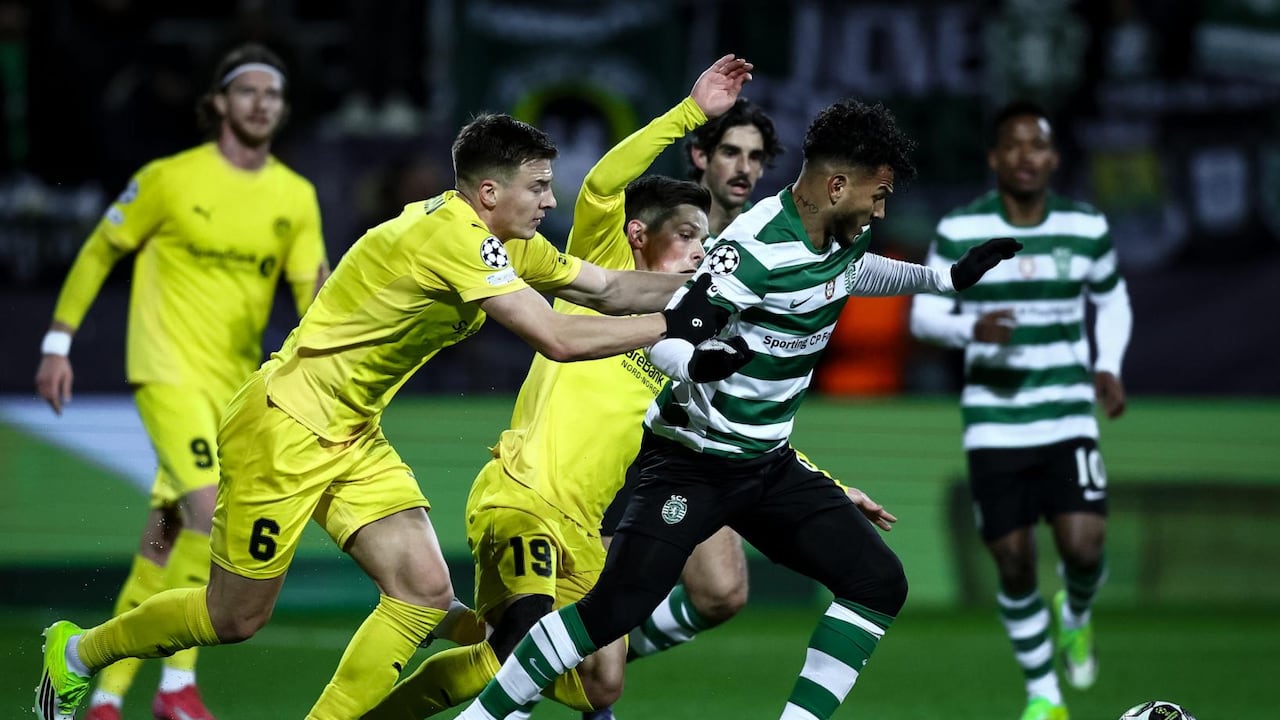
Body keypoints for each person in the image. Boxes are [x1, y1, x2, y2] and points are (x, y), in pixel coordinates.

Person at [35, 108, 740, 720]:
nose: (550, 202)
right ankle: (79, 652)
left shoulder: (505, 242)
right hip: (285, 424)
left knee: (426, 593)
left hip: (350, 432)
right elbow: (557, 337)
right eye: (538, 188)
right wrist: (679, 328)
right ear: (489, 191)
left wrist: (708, 290)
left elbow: (611, 288)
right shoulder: (453, 239)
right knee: (234, 617)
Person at [453, 99, 1023, 720]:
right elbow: (673, 333)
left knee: (878, 583)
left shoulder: (841, 237)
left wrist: (948, 279)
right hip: (691, 464)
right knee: (610, 612)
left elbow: (855, 274)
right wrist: (697, 363)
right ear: (836, 185)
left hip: (768, 467)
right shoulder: (750, 249)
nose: (881, 209)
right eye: (878, 194)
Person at [34, 43, 329, 720]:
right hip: (165, 375)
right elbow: (101, 248)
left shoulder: (295, 196)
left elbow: (313, 298)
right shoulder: (169, 178)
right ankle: (176, 689)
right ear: (220, 103)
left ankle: (100, 692)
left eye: (274, 94)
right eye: (249, 90)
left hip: (232, 390)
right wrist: (58, 343)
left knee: (164, 541)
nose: (263, 102)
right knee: (211, 510)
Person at [909, 100, 1132, 720]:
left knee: (1084, 547)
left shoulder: (1085, 226)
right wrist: (972, 328)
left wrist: (1108, 363)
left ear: (1054, 158)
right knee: (1012, 560)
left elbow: (1112, 302)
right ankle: (1044, 693)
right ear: (993, 158)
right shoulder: (960, 229)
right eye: (1013, 145)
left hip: (1066, 414)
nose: (1026, 157)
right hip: (994, 421)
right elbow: (925, 312)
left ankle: (1078, 613)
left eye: (1037, 146)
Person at [595, 96, 786, 679]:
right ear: (700, 155)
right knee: (605, 618)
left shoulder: (763, 247)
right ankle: (557, 677)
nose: (744, 168)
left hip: (696, 439)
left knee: (721, 593)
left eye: (755, 156)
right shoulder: (662, 225)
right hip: (621, 432)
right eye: (731, 151)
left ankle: (578, 665)